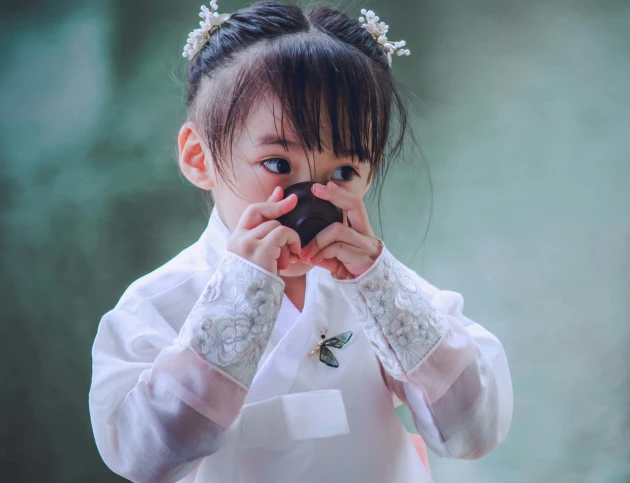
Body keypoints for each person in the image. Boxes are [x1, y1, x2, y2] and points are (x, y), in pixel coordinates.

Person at [88, 2, 513, 482]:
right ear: (198, 157)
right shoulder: (157, 305)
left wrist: (380, 290)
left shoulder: (385, 294)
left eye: (343, 172)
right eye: (277, 164)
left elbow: (472, 432)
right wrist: (240, 296)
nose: (309, 198)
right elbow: (144, 456)